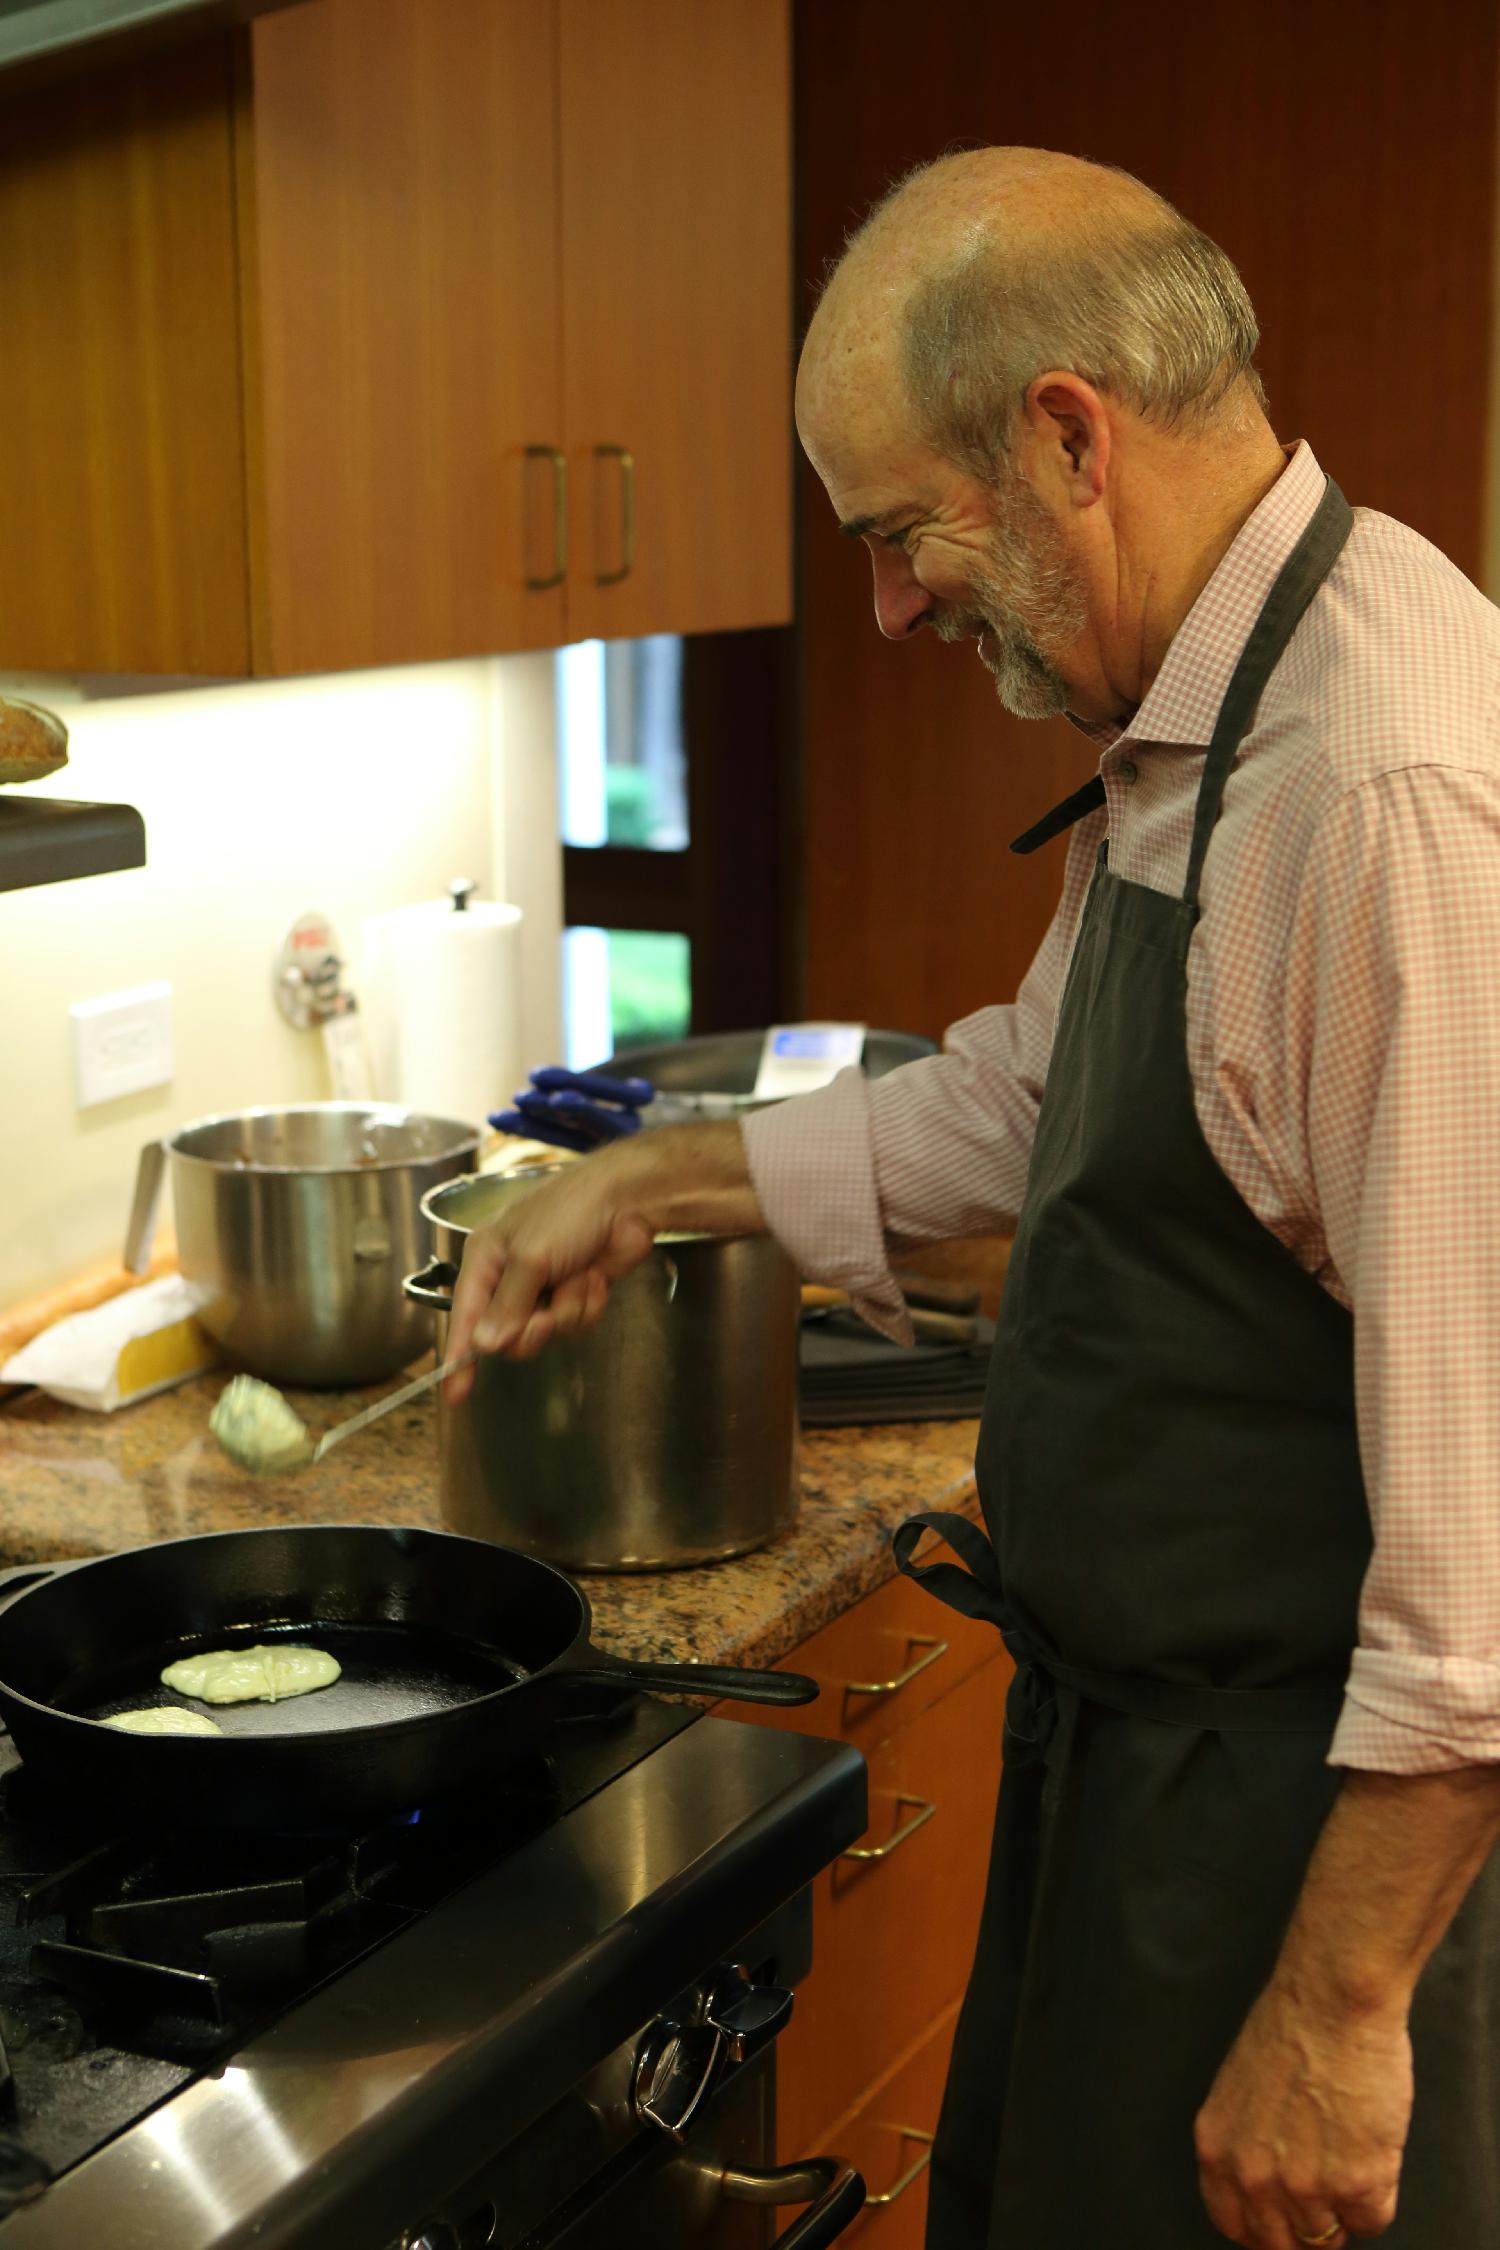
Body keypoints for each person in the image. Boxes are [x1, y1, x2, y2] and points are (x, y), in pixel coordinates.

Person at [445, 149, 1500, 2250]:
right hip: (1146, 1774)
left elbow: (1484, 1563)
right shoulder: (1218, 704)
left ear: (1067, 435)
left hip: (1305, 1839)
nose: (892, 606)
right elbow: (1049, 1101)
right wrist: (658, 1183)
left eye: (898, 532)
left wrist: (1339, 2008)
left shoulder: (1375, 797)